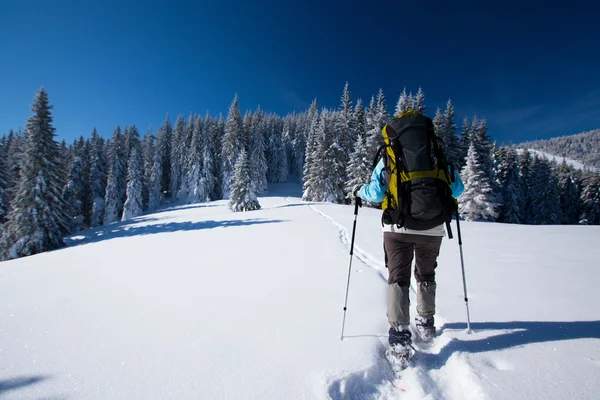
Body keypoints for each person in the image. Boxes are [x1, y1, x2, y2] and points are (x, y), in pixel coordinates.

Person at [353, 112, 464, 358]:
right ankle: (425, 323)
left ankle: (400, 335)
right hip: (433, 227)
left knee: (398, 278)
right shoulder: (435, 154)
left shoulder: (391, 155)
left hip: (397, 228)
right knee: (426, 273)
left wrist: (358, 191)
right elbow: (458, 189)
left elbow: (376, 193)